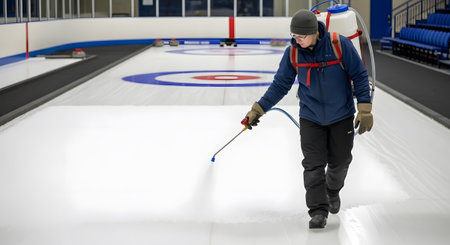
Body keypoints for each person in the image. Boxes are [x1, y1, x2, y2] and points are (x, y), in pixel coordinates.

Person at [243, 9, 373, 229]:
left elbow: (359, 75)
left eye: (301, 36)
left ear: (314, 33)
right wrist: (258, 109)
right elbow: (280, 85)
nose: (297, 40)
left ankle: (332, 191)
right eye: (294, 36)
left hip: (341, 115)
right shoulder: (293, 54)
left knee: (340, 162)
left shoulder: (339, 45)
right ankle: (318, 211)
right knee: (313, 166)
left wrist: (365, 109)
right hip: (311, 117)